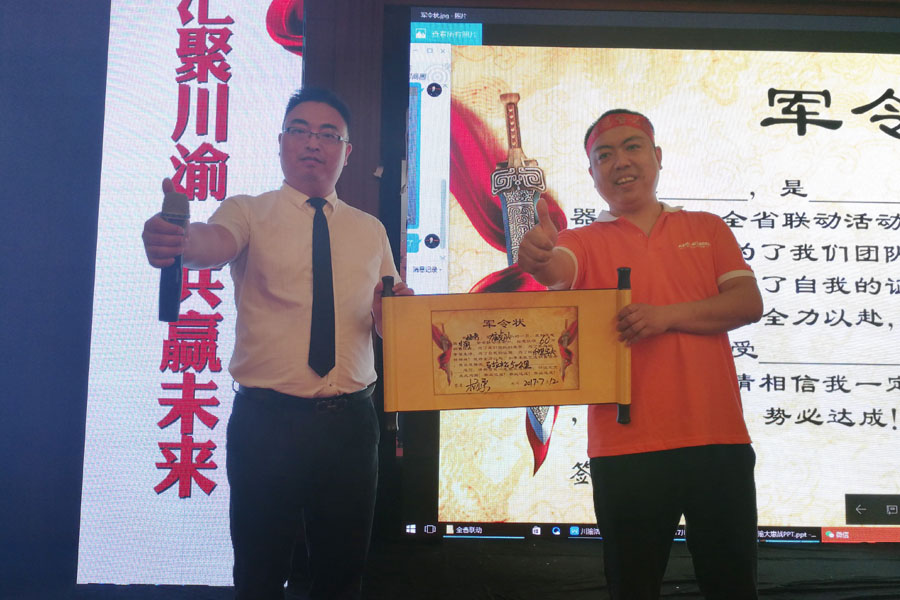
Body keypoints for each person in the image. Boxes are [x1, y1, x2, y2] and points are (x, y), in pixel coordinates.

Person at [142, 87, 412, 600]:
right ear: (281, 142)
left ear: (347, 152)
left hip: (351, 426)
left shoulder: (371, 229)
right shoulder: (248, 212)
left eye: (328, 134)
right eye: (300, 130)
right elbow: (212, 244)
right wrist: (179, 241)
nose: (313, 143)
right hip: (267, 425)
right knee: (259, 576)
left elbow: (388, 319)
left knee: (342, 577)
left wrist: (394, 314)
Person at [518, 109, 763, 600]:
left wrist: (665, 317)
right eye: (604, 155)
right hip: (624, 447)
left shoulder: (707, 227)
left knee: (733, 584)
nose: (620, 162)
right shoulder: (581, 241)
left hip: (717, 439)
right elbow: (557, 269)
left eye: (632, 147)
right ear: (592, 174)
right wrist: (539, 258)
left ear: (657, 157)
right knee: (632, 586)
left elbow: (747, 303)